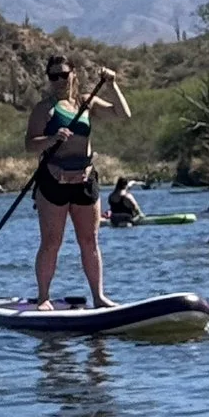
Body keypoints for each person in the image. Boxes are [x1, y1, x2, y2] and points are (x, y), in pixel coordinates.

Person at [26, 56, 132, 309]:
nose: (60, 80)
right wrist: (51, 138)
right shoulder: (44, 109)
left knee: (89, 241)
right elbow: (30, 144)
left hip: (84, 180)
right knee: (52, 242)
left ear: (73, 74)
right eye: (54, 76)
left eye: (64, 74)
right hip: (53, 181)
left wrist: (112, 84)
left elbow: (123, 114)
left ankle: (98, 297)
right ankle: (43, 298)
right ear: (49, 79)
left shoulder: (86, 102)